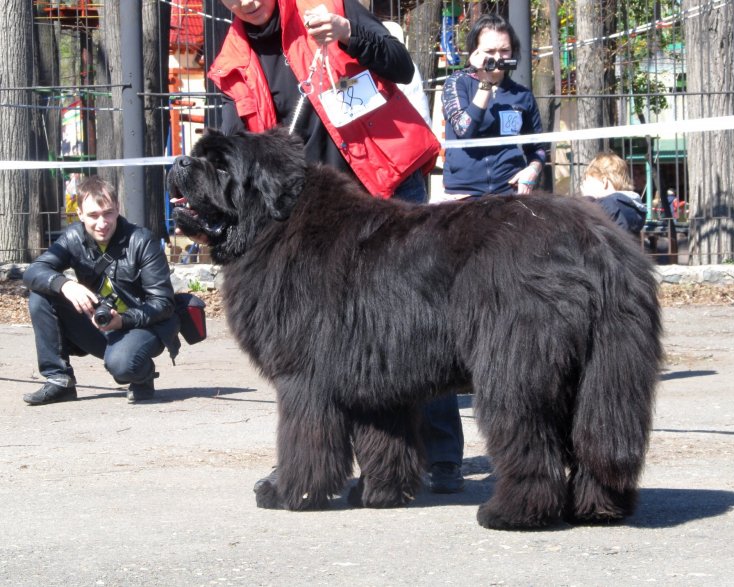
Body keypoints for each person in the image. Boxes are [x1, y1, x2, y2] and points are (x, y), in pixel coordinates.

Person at [210, 0, 463, 493]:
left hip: (383, 183)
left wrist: (348, 33)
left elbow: (398, 63)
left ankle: (442, 455)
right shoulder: (231, 58)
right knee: (339, 348)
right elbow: (238, 144)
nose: (244, 1)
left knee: (424, 326)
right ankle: (328, 463)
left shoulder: (324, 8)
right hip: (322, 214)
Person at [211, 0, 440, 202]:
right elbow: (232, 150)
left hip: (389, 186)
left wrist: (349, 33)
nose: (247, 2)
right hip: (322, 207)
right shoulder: (230, 65)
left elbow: (403, 69)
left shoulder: (329, 6)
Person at [23, 176, 180, 405]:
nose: (102, 223)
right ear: (79, 215)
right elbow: (34, 271)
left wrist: (123, 321)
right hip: (100, 321)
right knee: (41, 296)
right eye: (93, 216)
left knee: (123, 367)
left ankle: (142, 375)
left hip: (142, 326)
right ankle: (59, 381)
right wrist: (64, 284)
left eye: (107, 213)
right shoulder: (73, 237)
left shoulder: (142, 241)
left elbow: (163, 305)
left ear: (117, 209)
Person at [441, 13, 547, 197]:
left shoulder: (522, 95)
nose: (498, 57)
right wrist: (486, 81)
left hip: (509, 193)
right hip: (464, 194)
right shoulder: (457, 83)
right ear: (475, 52)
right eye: (489, 52)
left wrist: (532, 170)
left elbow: (537, 147)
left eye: (504, 50)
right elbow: (465, 129)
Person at [580, 152, 647, 235]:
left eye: (589, 182)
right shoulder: (628, 204)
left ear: (604, 181)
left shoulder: (609, 205)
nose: (585, 188)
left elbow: (583, 221)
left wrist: (587, 198)